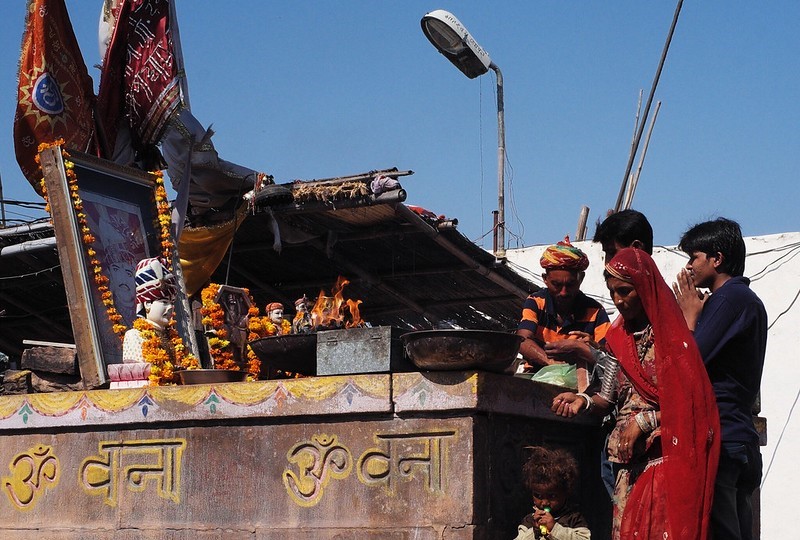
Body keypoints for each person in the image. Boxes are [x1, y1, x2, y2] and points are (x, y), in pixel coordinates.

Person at [552, 248, 720, 540]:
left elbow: (693, 404)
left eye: (625, 290)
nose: (618, 300)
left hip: (665, 458)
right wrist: (583, 401)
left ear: (643, 286)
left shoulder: (672, 337)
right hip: (627, 466)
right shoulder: (617, 339)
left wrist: (644, 422)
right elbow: (609, 397)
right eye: (613, 292)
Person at [673, 218, 767, 540]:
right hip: (740, 438)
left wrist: (688, 317)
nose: (688, 268)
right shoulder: (747, 301)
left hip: (723, 439)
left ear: (717, 259)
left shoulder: (728, 300)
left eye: (693, 257)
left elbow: (689, 362)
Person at [516, 237, 610, 391]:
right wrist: (551, 364)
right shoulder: (536, 302)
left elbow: (609, 356)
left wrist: (593, 347)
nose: (564, 292)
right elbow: (522, 340)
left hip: (580, 388)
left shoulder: (596, 311)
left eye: (570, 285)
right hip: (536, 382)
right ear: (545, 280)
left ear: (581, 279)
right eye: (557, 285)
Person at [515, 446, 591, 540]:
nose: (544, 503)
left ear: (565, 493)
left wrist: (555, 528)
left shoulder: (573, 519)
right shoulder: (530, 520)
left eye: (552, 496)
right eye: (538, 496)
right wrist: (534, 531)